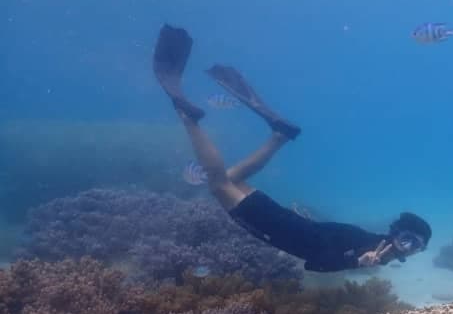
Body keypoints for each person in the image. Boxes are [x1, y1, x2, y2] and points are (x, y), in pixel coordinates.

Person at [153, 24, 431, 272]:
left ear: (418, 251)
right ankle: (190, 120)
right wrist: (356, 262)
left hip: (288, 222)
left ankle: (279, 136)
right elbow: (315, 264)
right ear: (395, 233)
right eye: (407, 239)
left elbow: (330, 238)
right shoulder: (372, 251)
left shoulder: (372, 240)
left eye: (414, 245)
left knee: (233, 179)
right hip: (277, 226)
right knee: (217, 183)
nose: (406, 246)